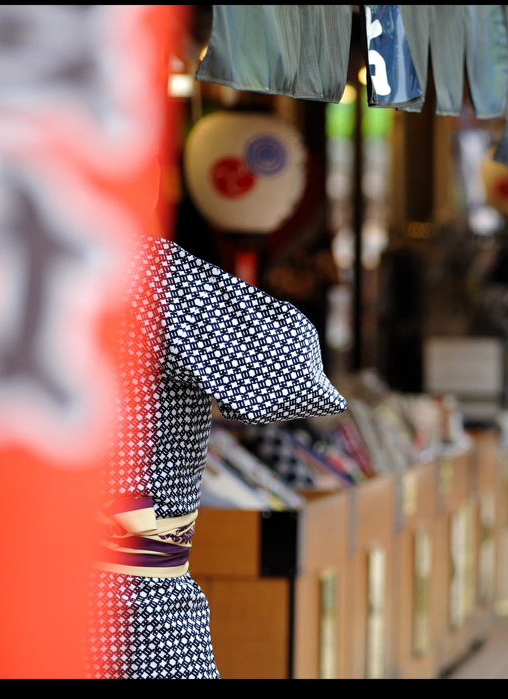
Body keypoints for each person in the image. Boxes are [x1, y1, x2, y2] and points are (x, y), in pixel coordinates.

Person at [88, 235, 348, 678]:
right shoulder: (133, 268)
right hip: (121, 606)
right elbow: (293, 368)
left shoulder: (130, 268)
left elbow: (292, 369)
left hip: (114, 601)